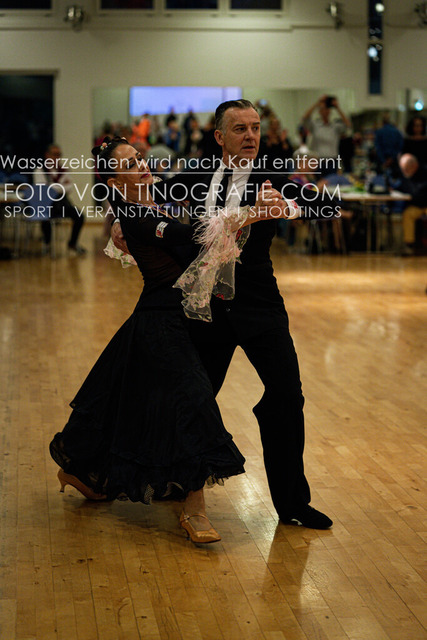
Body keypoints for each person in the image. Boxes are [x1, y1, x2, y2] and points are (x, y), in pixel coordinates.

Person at [50, 135, 293, 544]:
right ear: (114, 182)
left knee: (127, 402)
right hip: (162, 323)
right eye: (129, 165)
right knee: (194, 405)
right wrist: (252, 214)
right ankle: (194, 510)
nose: (141, 166)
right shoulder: (135, 216)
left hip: (186, 320)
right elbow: (190, 234)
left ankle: (81, 472)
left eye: (139, 158)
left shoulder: (152, 203)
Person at [112, 99, 339, 529]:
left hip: (259, 306)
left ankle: (292, 503)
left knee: (286, 396)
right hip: (207, 307)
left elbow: (323, 205)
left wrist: (288, 207)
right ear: (219, 136)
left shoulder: (274, 174)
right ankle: (174, 480)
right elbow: (144, 196)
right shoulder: (196, 175)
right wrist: (118, 221)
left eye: (255, 128)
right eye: (240, 129)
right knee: (192, 400)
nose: (251, 136)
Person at [33, 144, 86, 255]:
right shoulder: (40, 170)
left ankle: (73, 243)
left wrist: (52, 186)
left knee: (79, 216)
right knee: (45, 215)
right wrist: (61, 185)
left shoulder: (64, 170)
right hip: (47, 204)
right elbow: (43, 189)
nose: (57, 157)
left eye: (59, 155)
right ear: (47, 155)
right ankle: (47, 243)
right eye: (54, 154)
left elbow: (69, 188)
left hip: (63, 204)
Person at [302, 95, 351, 175]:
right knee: (318, 182)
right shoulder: (315, 125)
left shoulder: (335, 126)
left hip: (332, 161)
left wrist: (337, 108)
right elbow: (305, 118)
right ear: (319, 112)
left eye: (327, 109)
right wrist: (317, 103)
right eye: (322, 109)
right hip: (318, 161)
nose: (325, 111)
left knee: (332, 181)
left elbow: (348, 125)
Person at [398, 153, 427, 256]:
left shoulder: (424, 173)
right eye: (403, 169)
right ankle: (409, 245)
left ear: (414, 165)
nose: (404, 171)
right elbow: (402, 188)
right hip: (417, 206)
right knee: (407, 214)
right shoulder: (407, 176)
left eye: (406, 169)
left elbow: (417, 192)